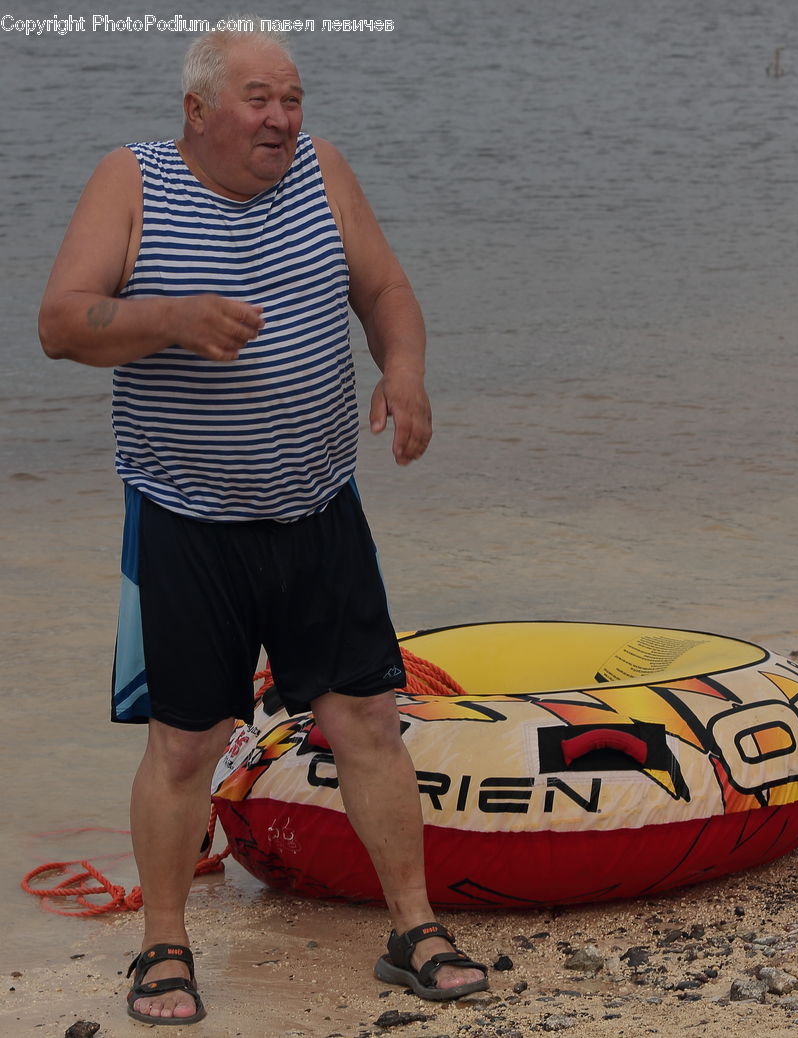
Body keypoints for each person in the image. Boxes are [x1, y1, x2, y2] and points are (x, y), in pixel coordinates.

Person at [38, 25, 488, 1025]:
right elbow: (62, 321)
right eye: (259, 100)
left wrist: (403, 374)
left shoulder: (323, 171)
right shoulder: (135, 179)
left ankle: (413, 927)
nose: (284, 119)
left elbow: (385, 291)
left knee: (369, 719)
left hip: (319, 510)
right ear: (198, 112)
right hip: (188, 521)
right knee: (188, 745)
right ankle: (163, 945)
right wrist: (171, 318)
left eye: (292, 99)